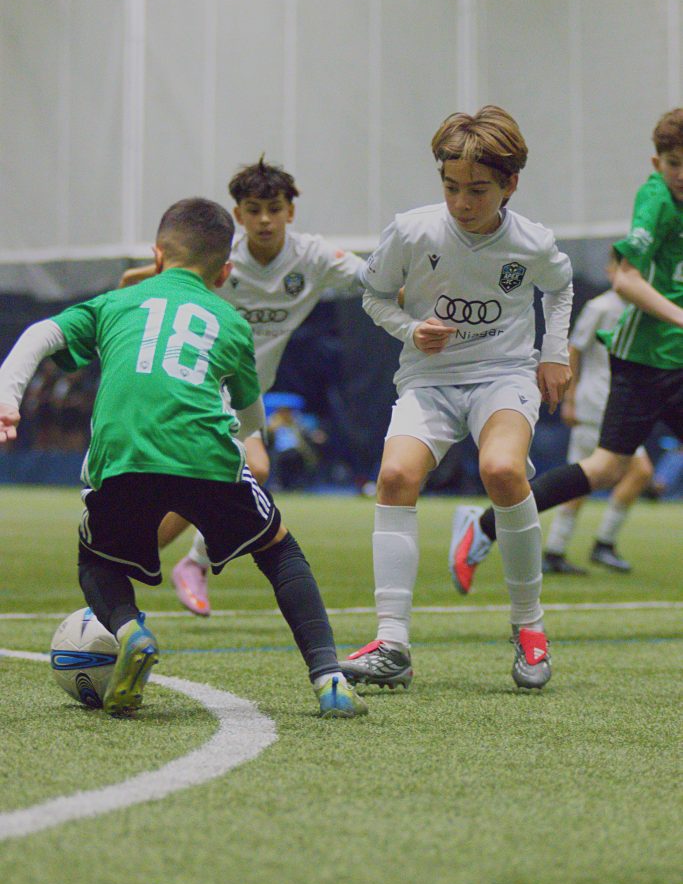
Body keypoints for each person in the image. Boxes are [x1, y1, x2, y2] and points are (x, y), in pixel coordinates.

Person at [0, 197, 367, 719]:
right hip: (204, 455)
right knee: (279, 550)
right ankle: (329, 679)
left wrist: (8, 398)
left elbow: (40, 334)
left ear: (156, 254)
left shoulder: (116, 302)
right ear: (224, 272)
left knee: (95, 562)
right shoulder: (231, 320)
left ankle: (129, 629)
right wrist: (241, 441)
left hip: (123, 456)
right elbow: (251, 416)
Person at [338, 105, 573, 692]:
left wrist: (554, 353)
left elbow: (560, 286)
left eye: (477, 190)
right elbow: (373, 295)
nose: (462, 203)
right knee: (395, 476)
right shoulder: (412, 231)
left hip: (503, 374)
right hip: (429, 378)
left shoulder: (532, 242)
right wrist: (410, 329)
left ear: (510, 184)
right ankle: (391, 643)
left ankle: (530, 628)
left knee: (502, 470)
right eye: (451, 187)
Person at [120, 157, 365, 616]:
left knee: (242, 474)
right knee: (243, 469)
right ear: (238, 215)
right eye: (253, 210)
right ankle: (143, 564)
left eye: (274, 209)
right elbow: (135, 282)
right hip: (197, 386)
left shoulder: (313, 257)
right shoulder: (219, 257)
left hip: (244, 394)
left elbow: (374, 280)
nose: (265, 220)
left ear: (291, 211)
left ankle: (148, 563)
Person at [449, 107, 683, 584]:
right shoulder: (657, 198)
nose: (681, 174)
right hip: (647, 360)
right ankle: (486, 525)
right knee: (606, 468)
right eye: (674, 163)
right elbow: (625, 278)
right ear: (656, 163)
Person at [539, 249, 653, 575]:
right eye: (623, 266)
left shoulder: (644, 307)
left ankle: (561, 548)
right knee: (631, 471)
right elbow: (574, 351)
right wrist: (570, 398)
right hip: (596, 405)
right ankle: (597, 544)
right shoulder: (600, 307)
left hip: (619, 404)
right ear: (610, 270)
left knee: (588, 477)